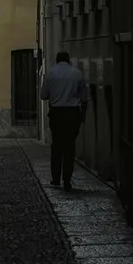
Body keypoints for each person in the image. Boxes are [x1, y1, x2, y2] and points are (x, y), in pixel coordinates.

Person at [40, 50, 88, 190]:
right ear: (68, 60)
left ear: (56, 60)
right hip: (72, 113)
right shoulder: (77, 73)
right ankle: (67, 179)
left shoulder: (50, 73)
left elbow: (43, 95)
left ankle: (55, 178)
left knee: (56, 146)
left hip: (56, 113)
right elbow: (84, 97)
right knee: (69, 146)